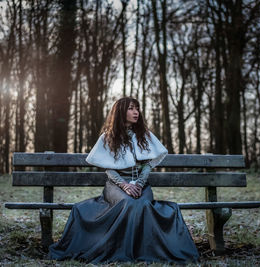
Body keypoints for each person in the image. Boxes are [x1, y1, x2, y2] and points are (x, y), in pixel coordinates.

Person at [48, 97, 199, 263]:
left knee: (142, 203)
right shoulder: (108, 137)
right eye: (131, 108)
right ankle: (119, 249)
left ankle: (142, 250)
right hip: (116, 185)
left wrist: (140, 184)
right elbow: (109, 168)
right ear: (121, 112)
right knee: (129, 202)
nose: (136, 112)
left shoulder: (145, 136)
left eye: (137, 108)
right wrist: (124, 185)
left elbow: (148, 165)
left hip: (141, 184)